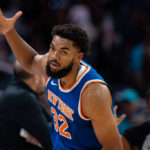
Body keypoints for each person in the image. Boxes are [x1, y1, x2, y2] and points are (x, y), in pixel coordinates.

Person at [0, 10, 123, 150]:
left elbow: (114, 146)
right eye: (53, 48)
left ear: (78, 57)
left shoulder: (93, 93)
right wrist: (9, 32)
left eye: (63, 52)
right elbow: (29, 62)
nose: (54, 56)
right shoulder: (52, 65)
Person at [0, 62, 51, 150]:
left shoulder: (16, 91)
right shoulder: (21, 97)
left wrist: (40, 138)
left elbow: (51, 125)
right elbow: (50, 140)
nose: (46, 82)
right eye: (45, 76)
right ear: (36, 78)